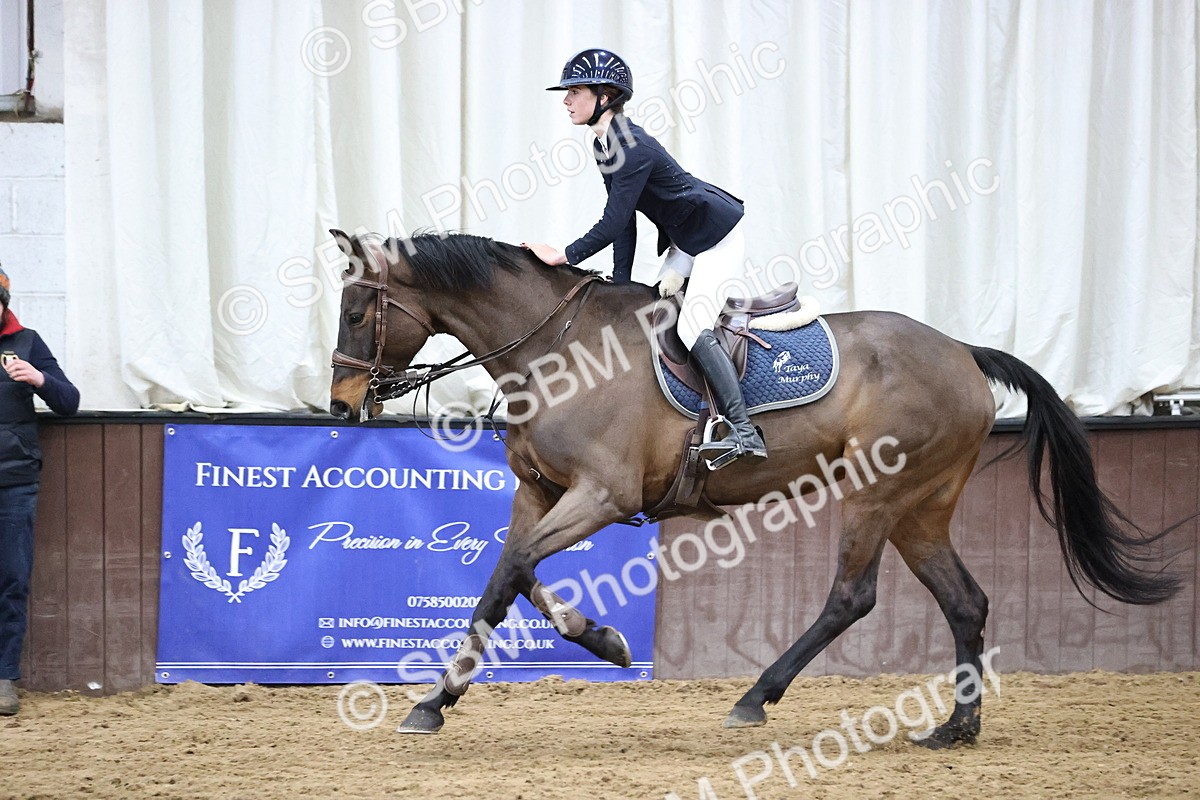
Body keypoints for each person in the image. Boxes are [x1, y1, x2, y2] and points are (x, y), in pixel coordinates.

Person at [523, 48, 766, 467]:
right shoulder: (603, 144)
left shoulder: (632, 148)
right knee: (652, 307)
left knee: (690, 327)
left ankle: (744, 432)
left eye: (574, 92)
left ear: (606, 96)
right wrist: (620, 284)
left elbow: (612, 222)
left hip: (716, 237)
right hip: (686, 238)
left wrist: (563, 255)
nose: (565, 100)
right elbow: (627, 221)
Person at [0, 264, 80, 715]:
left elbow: (69, 402)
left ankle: (4, 677)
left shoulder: (27, 343)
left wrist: (40, 380)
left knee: (11, 581)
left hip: (14, 483)